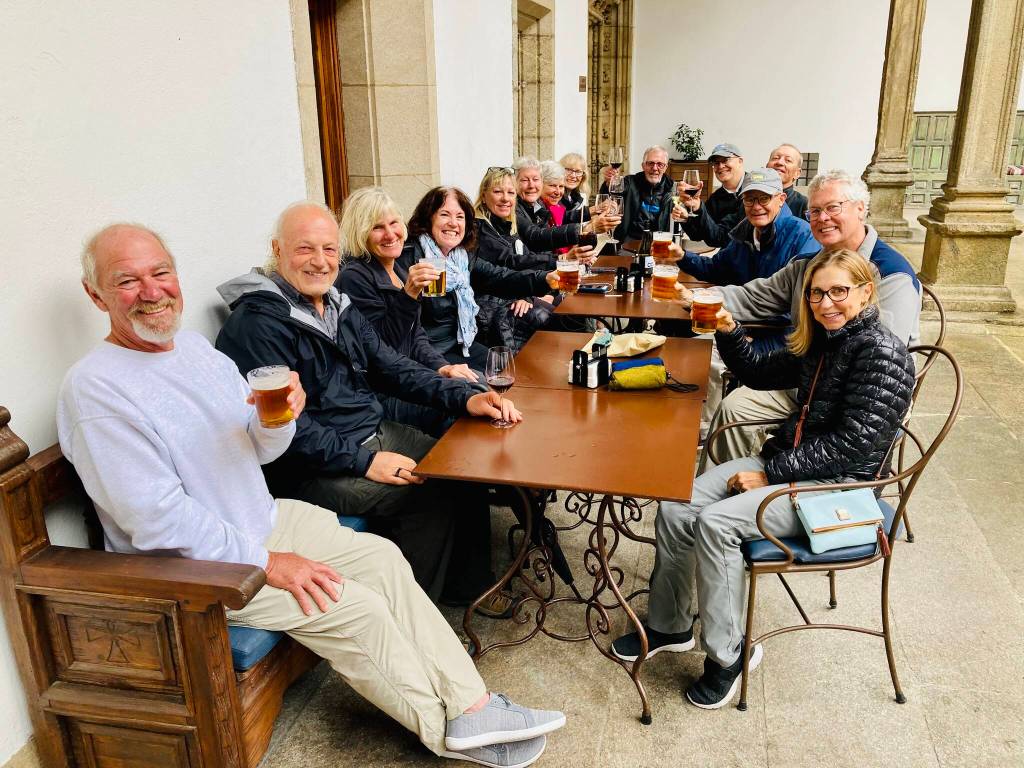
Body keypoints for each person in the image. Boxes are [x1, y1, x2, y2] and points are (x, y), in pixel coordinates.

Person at [58, 222, 565, 767]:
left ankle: (473, 704)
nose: (153, 291)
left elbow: (258, 449)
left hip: (260, 517)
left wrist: (280, 421)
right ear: (96, 295)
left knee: (382, 559)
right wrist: (267, 562)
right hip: (194, 568)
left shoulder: (196, 351)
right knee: (356, 607)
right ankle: (444, 729)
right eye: (128, 281)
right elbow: (153, 521)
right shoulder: (97, 389)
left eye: (161, 273)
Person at [612, 248, 915, 710]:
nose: (826, 303)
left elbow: (853, 447)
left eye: (839, 291)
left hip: (837, 488)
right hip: (792, 464)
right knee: (675, 504)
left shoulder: (881, 353)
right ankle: (669, 624)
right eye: (816, 293)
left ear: (866, 292)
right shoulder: (825, 340)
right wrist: (729, 329)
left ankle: (729, 655)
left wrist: (769, 472)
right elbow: (755, 371)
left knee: (718, 524)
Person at [215, 202, 516, 616]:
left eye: (329, 249)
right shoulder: (257, 324)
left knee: (459, 466)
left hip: (368, 432)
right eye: (305, 249)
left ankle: (465, 592)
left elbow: (391, 365)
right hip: (313, 469)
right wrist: (364, 461)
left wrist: (465, 396)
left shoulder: (336, 304)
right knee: (429, 496)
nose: (320, 262)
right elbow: (291, 431)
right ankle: (414, 620)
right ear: (277, 249)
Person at [679, 169, 921, 467]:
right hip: (806, 377)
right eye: (814, 211)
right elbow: (757, 296)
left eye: (833, 207)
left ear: (861, 209)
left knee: (792, 440)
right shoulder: (808, 264)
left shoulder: (891, 273)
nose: (822, 218)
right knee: (734, 406)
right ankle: (722, 491)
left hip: (860, 401)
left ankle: (760, 490)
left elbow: (882, 361)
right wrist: (700, 299)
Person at [336, 187, 477, 438]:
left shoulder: (397, 269)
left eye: (393, 223)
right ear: (361, 233)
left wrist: (442, 367)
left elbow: (417, 336)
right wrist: (409, 295)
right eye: (377, 227)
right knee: (459, 417)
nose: (390, 234)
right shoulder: (354, 277)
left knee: (477, 387)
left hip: (410, 377)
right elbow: (383, 348)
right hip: (384, 390)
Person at [401, 186, 560, 370]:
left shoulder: (461, 257)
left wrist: (544, 279)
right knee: (485, 383)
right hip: (429, 354)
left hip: (462, 343)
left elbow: (500, 277)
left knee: (509, 369)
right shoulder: (412, 258)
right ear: (428, 218)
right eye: (444, 215)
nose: (453, 223)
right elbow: (407, 327)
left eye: (460, 217)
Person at [676, 168, 819, 352]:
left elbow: (797, 304)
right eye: (750, 199)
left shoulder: (802, 235)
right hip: (744, 325)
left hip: (784, 340)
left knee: (698, 357)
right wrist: (681, 256)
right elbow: (715, 268)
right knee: (678, 336)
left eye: (764, 198)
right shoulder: (745, 233)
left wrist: (740, 330)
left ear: (781, 199)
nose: (756, 206)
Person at [473, 166, 593, 351]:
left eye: (510, 193)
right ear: (484, 194)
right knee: (562, 316)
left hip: (515, 290)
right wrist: (562, 260)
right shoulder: (480, 227)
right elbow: (509, 263)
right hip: (491, 304)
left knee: (575, 305)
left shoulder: (506, 224)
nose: (506, 198)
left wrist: (531, 292)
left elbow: (527, 256)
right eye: (498, 192)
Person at [513, 157, 614, 252]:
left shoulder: (538, 204)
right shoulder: (514, 207)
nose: (532, 185)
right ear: (514, 182)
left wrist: (595, 209)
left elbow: (566, 216)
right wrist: (586, 229)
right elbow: (537, 236)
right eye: (525, 180)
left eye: (535, 180)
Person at [600, 145, 675, 241]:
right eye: (650, 163)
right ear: (643, 166)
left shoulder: (672, 189)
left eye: (660, 164)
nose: (655, 168)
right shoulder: (629, 182)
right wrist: (608, 183)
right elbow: (608, 200)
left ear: (665, 167)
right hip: (629, 243)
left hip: (661, 243)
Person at [679, 142, 746, 248]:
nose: (720, 166)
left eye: (725, 160)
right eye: (716, 163)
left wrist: (700, 209)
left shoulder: (753, 191)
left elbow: (722, 238)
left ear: (740, 161)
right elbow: (697, 235)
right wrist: (686, 217)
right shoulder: (716, 197)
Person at [767, 143, 808, 221]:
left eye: (788, 160)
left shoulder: (803, 204)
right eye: (775, 158)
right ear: (766, 166)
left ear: (797, 173)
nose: (780, 162)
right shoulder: (750, 198)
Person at [558, 152, 591, 225]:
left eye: (578, 171)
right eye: (568, 170)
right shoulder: (554, 196)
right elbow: (560, 219)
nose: (573, 175)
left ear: (583, 176)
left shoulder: (580, 197)